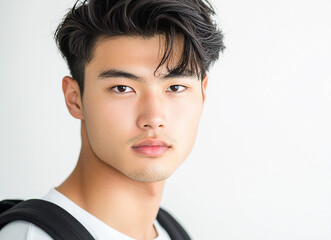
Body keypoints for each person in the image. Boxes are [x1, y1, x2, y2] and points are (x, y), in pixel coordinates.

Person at [0, 0, 224, 239]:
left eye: (176, 87)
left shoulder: (169, 229)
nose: (154, 118)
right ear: (75, 99)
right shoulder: (31, 236)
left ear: (202, 93)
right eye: (122, 88)